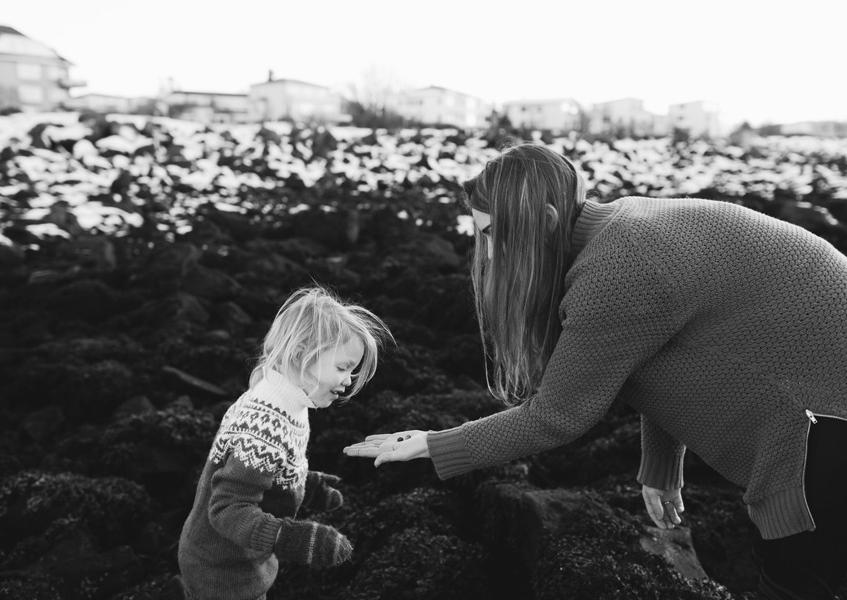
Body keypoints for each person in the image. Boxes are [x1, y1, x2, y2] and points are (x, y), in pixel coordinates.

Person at [343, 142, 847, 599]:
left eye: (496, 235)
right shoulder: (624, 225)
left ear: (543, 219)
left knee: (794, 582)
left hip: (821, 429)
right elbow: (668, 358)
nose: (490, 253)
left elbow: (557, 416)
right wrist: (661, 471)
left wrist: (435, 444)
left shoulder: (618, 268)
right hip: (823, 410)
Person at [174, 286, 393, 600]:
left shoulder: (289, 403)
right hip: (221, 568)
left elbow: (268, 468)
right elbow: (227, 509)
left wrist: (308, 485)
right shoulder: (266, 424)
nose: (348, 380)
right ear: (301, 354)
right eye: (342, 368)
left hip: (238, 557)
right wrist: (293, 537)